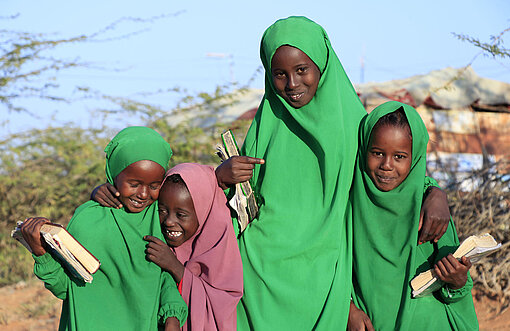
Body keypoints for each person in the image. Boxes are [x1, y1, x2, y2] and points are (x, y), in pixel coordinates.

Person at [214, 16, 452, 329]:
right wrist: (220, 178)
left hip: (326, 281)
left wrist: (434, 192)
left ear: (323, 63)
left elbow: (387, 177)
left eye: (302, 70)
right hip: (258, 280)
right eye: (279, 74)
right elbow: (236, 204)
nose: (292, 84)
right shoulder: (265, 126)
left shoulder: (354, 126)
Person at [21, 126, 188, 331]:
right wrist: (41, 253)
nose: (144, 194)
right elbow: (66, 289)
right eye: (134, 184)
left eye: (154, 186)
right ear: (113, 174)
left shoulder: (160, 217)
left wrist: (173, 314)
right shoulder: (88, 220)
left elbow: (165, 278)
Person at [348, 101, 478, 330]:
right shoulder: (349, 203)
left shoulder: (430, 211)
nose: (386, 165)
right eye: (377, 153)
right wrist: (346, 306)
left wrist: (457, 279)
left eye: (399, 156)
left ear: (415, 157)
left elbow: (456, 289)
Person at [143, 163, 243, 331]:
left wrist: (174, 267)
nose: (169, 221)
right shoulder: (155, 239)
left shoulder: (221, 250)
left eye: (181, 215)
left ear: (204, 213)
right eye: (162, 211)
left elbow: (221, 309)